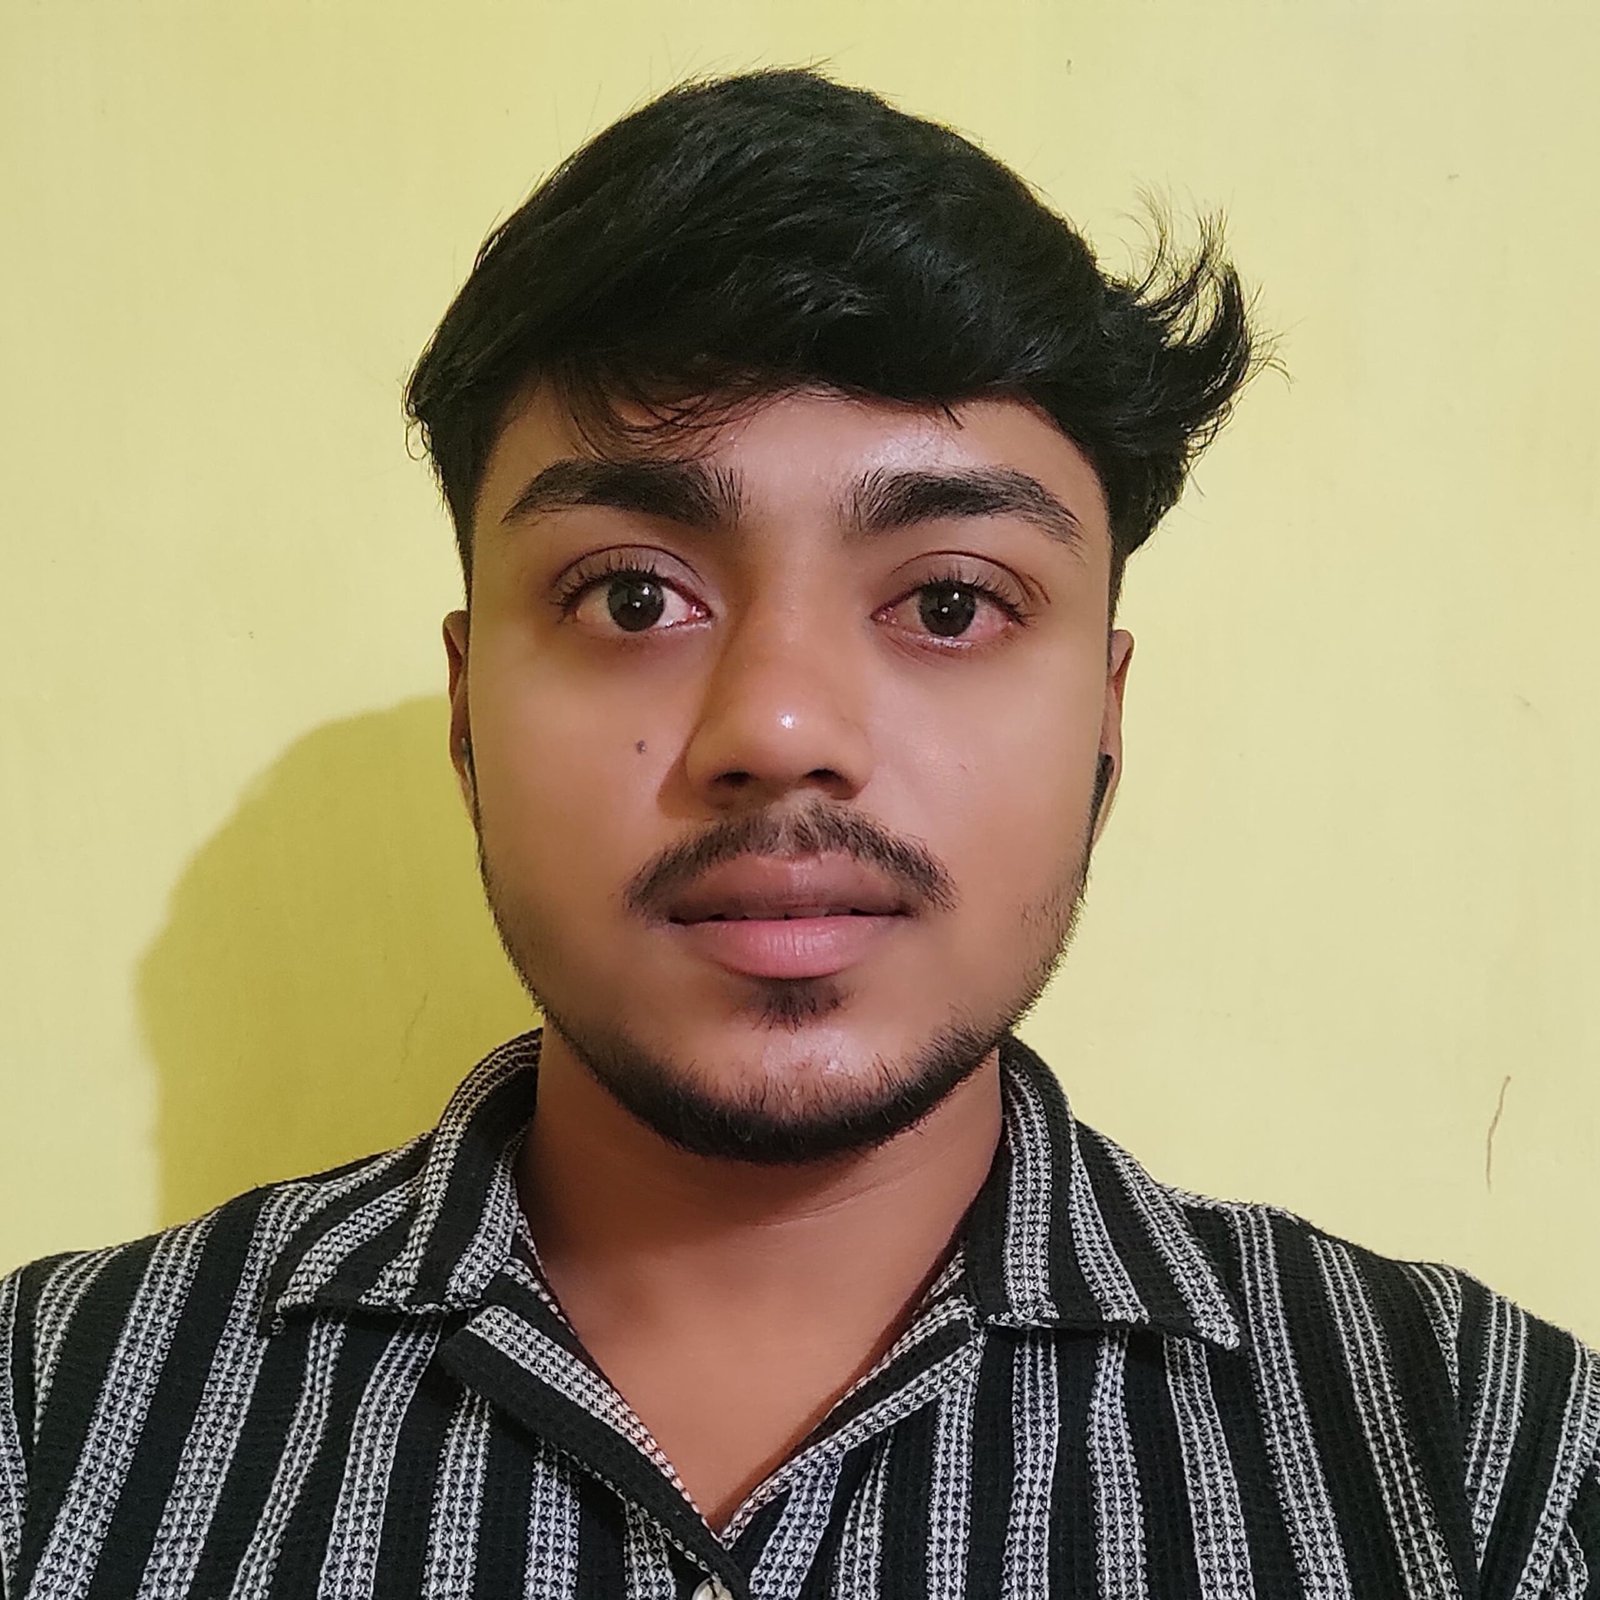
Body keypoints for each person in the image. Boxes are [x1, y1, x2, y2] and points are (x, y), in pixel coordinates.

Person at [2, 67, 1595, 1600]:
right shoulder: (44, 1427)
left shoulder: (1490, 1468)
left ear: (1106, 722)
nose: (776, 730)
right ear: (468, 703)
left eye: (951, 604)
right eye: (633, 597)